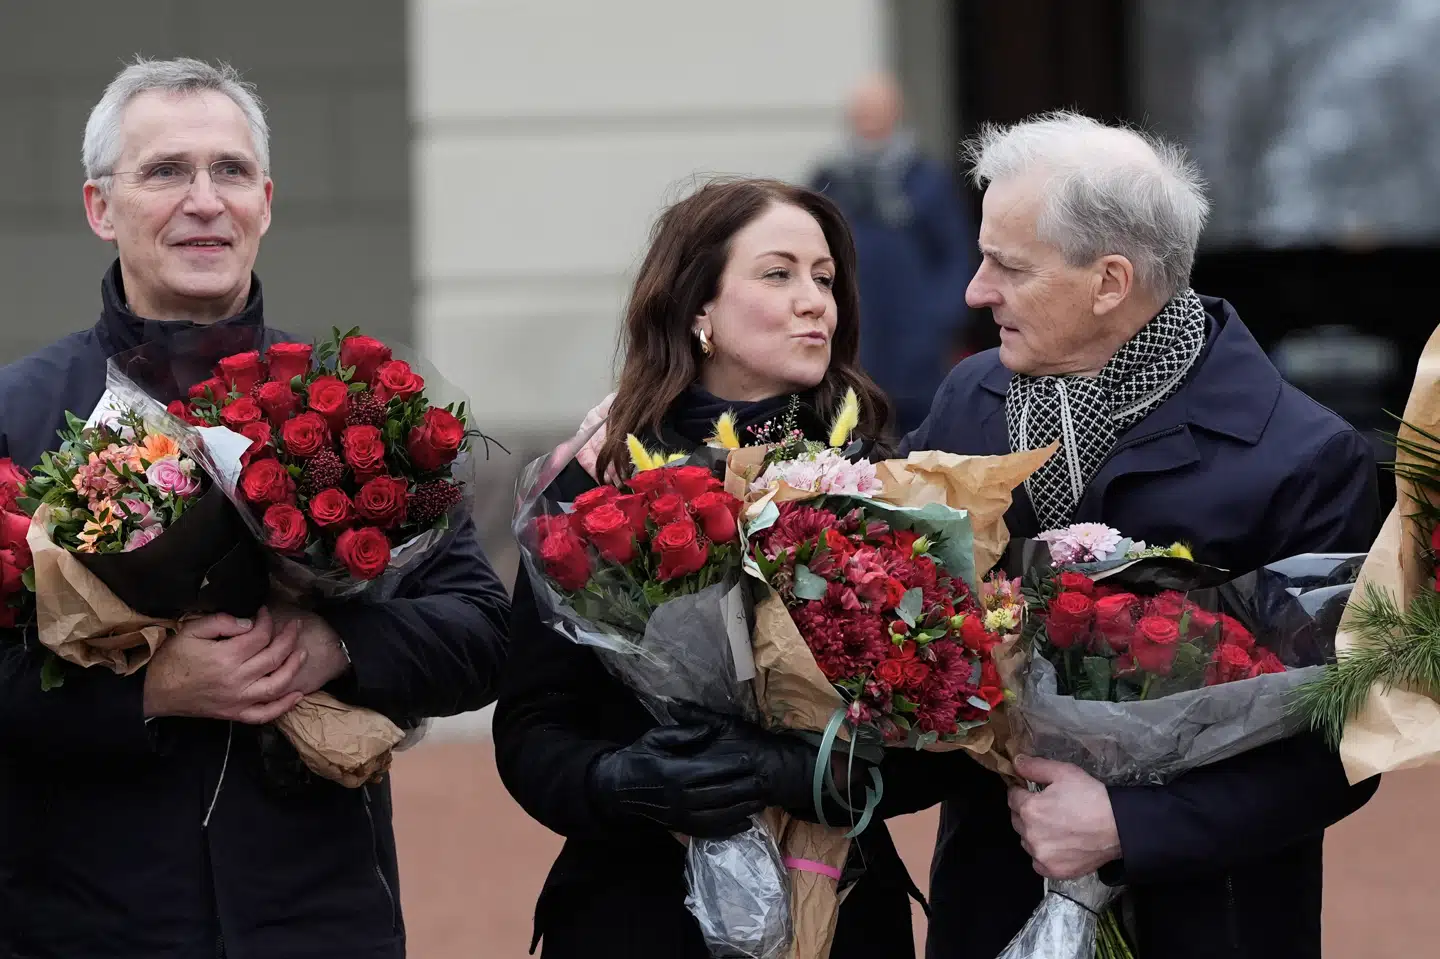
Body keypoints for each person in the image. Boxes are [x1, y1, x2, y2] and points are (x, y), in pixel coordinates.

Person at [0, 57, 510, 959]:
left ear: (265, 203)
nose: (205, 199)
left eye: (230, 171)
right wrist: (149, 692)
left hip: (320, 918)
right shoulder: (19, 415)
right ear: (99, 209)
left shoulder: (362, 403)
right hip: (84, 920)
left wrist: (333, 646)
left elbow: (479, 630)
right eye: (165, 171)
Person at [901, 111, 1382, 959]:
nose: (975, 291)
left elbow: (1346, 743)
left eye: (1007, 266)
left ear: (1111, 281)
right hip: (992, 903)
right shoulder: (966, 400)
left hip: (1206, 920)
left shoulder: (1304, 457)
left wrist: (1130, 823)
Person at [494, 178, 965, 958]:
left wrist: (806, 772)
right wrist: (617, 780)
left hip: (840, 912)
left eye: (824, 278)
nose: (814, 299)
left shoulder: (882, 481)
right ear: (697, 309)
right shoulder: (595, 478)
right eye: (778, 274)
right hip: (637, 913)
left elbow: (946, 726)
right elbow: (532, 726)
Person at [810, 73, 975, 436]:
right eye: (861, 113)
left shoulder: (926, 178)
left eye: (876, 112)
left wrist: (939, 318)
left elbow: (955, 254)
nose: (868, 121)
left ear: (895, 114)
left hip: (917, 342)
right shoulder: (829, 179)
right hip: (854, 332)